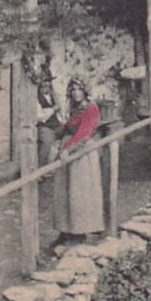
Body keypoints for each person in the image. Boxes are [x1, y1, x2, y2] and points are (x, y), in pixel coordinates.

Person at [51, 77, 105, 242]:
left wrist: (68, 149)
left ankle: (80, 230)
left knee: (79, 192)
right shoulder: (74, 107)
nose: (76, 93)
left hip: (82, 153)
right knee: (63, 191)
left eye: (79, 89)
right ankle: (65, 230)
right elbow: (70, 125)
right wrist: (59, 135)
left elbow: (85, 132)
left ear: (85, 90)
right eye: (73, 89)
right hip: (68, 150)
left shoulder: (92, 108)